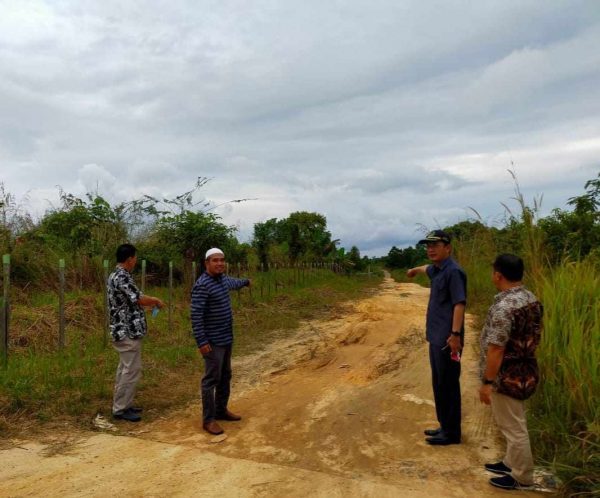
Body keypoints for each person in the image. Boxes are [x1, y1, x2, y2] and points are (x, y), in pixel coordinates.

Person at [479, 254, 542, 490]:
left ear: (498, 275)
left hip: (507, 374)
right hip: (526, 369)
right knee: (513, 420)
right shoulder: (530, 298)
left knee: (514, 427)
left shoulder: (505, 307)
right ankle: (509, 462)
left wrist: (487, 382)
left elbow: (496, 348)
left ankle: (522, 477)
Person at [407, 230, 466, 445]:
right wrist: (414, 270)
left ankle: (452, 433)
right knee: (439, 383)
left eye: (435, 245)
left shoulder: (454, 272)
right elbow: (425, 268)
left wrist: (455, 335)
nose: (430, 249)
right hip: (435, 336)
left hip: (448, 339)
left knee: (449, 383)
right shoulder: (437, 269)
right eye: (428, 245)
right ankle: (445, 425)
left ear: (448, 248)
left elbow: (459, 304)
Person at [191, 248, 251, 435]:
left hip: (226, 338)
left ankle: (221, 410)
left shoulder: (223, 280)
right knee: (211, 380)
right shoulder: (202, 285)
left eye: (222, 260)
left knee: (225, 376)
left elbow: (234, 282)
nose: (219, 263)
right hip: (212, 341)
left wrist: (246, 282)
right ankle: (208, 420)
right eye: (215, 260)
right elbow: (196, 315)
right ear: (206, 263)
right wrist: (201, 341)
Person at [108, 243, 164, 422]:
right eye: (135, 258)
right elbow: (138, 298)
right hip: (126, 331)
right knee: (131, 370)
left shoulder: (116, 275)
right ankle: (121, 409)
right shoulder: (122, 276)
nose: (136, 261)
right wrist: (155, 300)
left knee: (125, 369)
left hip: (124, 329)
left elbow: (131, 301)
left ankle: (124, 403)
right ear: (130, 258)